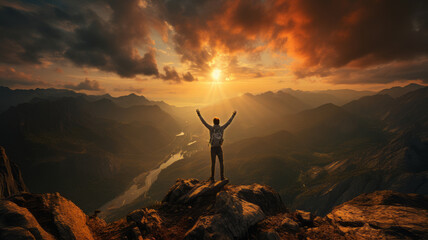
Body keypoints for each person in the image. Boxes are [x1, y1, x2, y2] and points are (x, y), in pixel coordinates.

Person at [196, 109, 237, 181]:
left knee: (213, 163)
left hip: (213, 148)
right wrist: (233, 115)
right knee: (221, 163)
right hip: (219, 148)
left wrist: (199, 115)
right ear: (219, 122)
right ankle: (222, 177)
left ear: (213, 122)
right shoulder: (222, 128)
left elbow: (204, 122)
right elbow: (228, 122)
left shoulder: (211, 128)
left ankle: (212, 178)